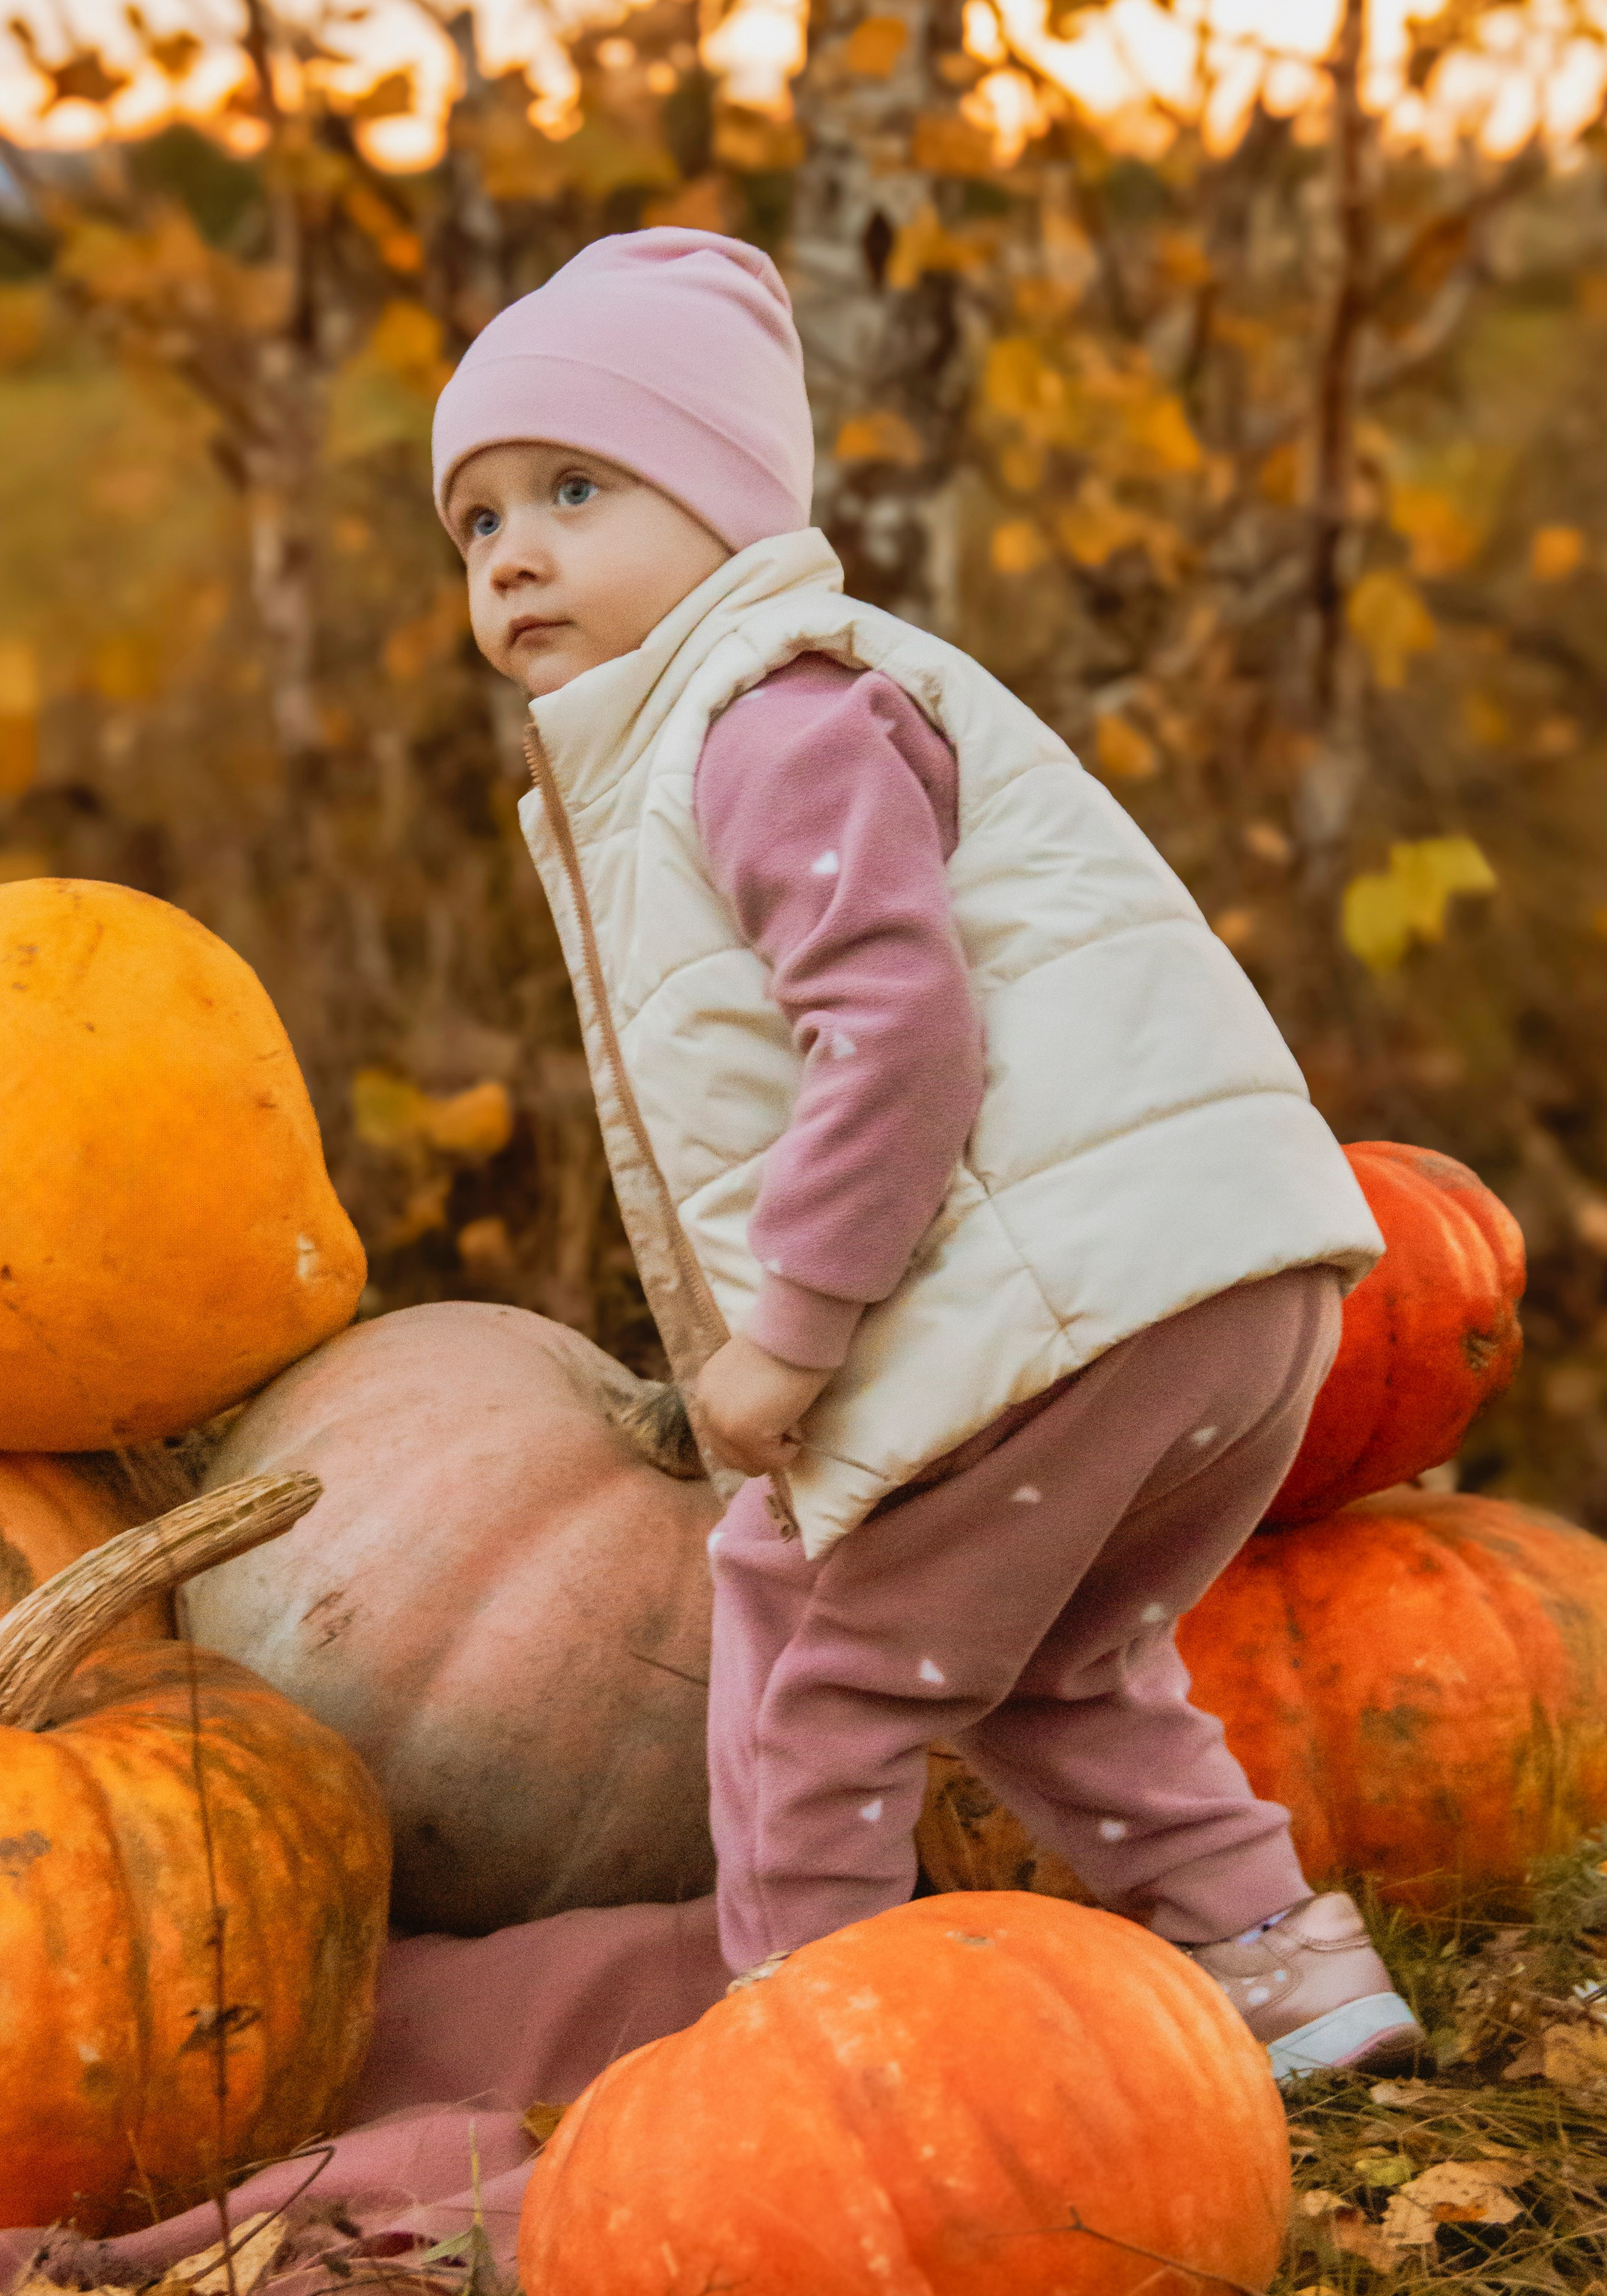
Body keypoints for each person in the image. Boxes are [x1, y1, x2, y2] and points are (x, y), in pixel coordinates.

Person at [431, 225, 1424, 2083]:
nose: (518, 554)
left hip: (1077, 1309)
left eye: (574, 486)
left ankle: (816, 2059)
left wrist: (793, 1333)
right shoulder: (747, 721)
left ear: (726, 501)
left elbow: (897, 1039)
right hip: (1208, 1288)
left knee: (821, 1659)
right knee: (1054, 1665)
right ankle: (1286, 1967)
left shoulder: (764, 721)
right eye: (477, 522)